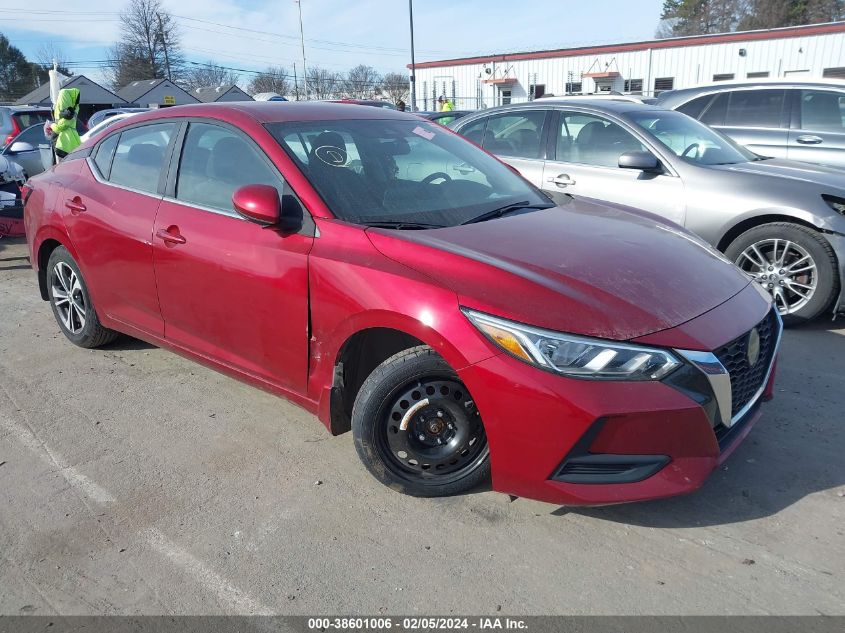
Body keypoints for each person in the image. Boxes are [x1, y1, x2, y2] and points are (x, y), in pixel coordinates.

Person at [50, 87, 82, 160]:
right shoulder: (74, 110)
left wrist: (51, 125)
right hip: (70, 141)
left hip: (63, 143)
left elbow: (60, 127)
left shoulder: (68, 113)